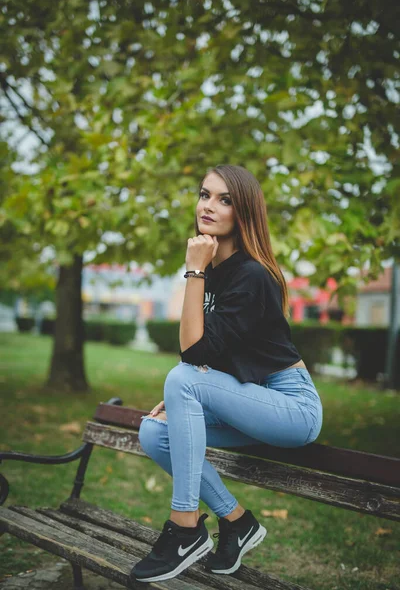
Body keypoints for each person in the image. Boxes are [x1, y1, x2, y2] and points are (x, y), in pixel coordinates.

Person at [129, 164, 323, 584]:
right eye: (204, 195)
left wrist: (194, 269)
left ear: (244, 212)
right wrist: (185, 400)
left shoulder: (253, 275)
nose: (209, 206)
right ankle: (237, 521)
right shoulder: (215, 269)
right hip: (249, 399)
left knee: (182, 379)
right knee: (153, 432)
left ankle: (184, 528)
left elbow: (191, 354)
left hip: (292, 407)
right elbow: (208, 354)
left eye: (225, 199)